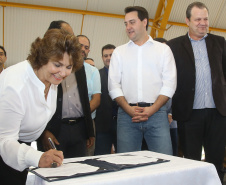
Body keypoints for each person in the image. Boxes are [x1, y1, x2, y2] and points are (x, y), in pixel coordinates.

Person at [0, 28, 82, 185]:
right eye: (58, 64)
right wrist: (37, 157)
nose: (63, 73)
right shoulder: (14, 85)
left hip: (22, 146)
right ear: (43, 58)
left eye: (69, 66)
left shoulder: (51, 77)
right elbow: (4, 141)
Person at [167, 2, 226, 182]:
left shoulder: (220, 42)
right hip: (188, 114)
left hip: (218, 112)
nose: (203, 23)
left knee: (216, 161)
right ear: (187, 21)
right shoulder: (173, 46)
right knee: (191, 160)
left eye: (206, 19)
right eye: (198, 19)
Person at [108, 6, 176, 155]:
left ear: (144, 22)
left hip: (157, 115)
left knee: (165, 163)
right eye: (126, 23)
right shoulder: (119, 52)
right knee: (126, 165)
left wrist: (153, 109)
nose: (128, 27)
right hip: (127, 116)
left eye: (132, 22)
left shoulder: (163, 50)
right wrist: (128, 109)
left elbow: (170, 84)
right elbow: (113, 85)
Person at [38, 21, 95, 158]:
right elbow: (37, 103)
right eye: (68, 35)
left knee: (79, 171)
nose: (72, 40)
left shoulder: (78, 63)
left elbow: (84, 98)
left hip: (79, 129)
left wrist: (89, 131)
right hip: (55, 131)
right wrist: (44, 132)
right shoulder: (41, 64)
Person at [77, 35, 101, 156]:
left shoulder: (93, 71)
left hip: (87, 121)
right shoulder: (62, 67)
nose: (83, 49)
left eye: (86, 47)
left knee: (86, 158)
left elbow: (96, 100)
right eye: (80, 45)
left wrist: (80, 115)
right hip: (63, 123)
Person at [95, 44, 118, 155]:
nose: (108, 58)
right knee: (101, 157)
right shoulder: (97, 75)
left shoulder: (125, 74)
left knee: (126, 157)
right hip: (103, 124)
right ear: (102, 58)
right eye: (105, 56)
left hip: (123, 124)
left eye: (111, 55)